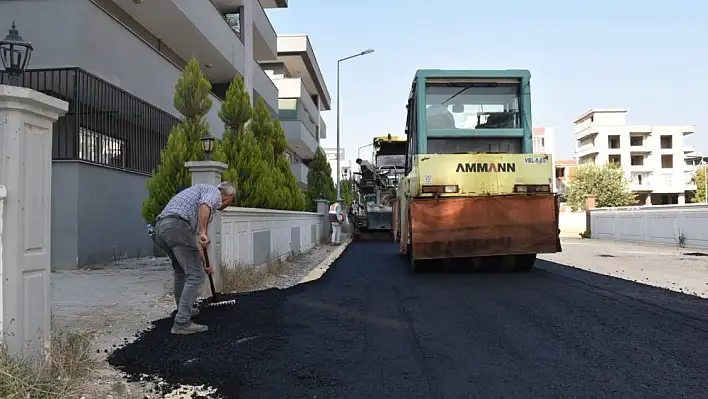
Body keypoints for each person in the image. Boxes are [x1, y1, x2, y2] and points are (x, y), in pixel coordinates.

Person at [152, 181, 236, 335]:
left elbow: (195, 243)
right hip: (176, 227)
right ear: (228, 197)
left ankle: (185, 310)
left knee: (182, 272)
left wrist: (204, 264)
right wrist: (204, 231)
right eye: (231, 201)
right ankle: (182, 322)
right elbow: (205, 205)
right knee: (196, 276)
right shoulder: (213, 192)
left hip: (161, 229)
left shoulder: (197, 198)